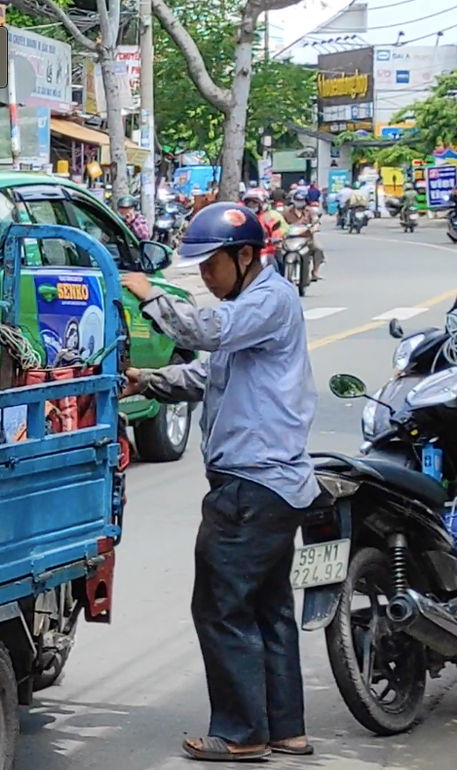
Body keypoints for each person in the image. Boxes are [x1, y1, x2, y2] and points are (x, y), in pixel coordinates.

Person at [119, 202, 317, 763]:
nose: (205, 276)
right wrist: (148, 380)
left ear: (246, 255)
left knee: (220, 607)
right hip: (273, 485)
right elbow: (209, 372)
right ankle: (285, 730)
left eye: (212, 265)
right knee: (267, 609)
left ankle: (239, 733)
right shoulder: (254, 310)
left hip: (252, 486)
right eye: (199, 267)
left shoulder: (266, 301)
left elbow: (205, 332)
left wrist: (150, 293)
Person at [281, 189, 324, 281]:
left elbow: (316, 221)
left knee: (318, 249)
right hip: (289, 238)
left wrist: (314, 228)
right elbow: (280, 222)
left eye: (301, 200)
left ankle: (315, 272)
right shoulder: (287, 211)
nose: (299, 202)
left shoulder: (310, 211)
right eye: (297, 200)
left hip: (306, 238)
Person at [242, 189, 286, 271]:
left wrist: (276, 237)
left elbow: (277, 229)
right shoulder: (241, 218)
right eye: (249, 203)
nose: (251, 206)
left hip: (265, 251)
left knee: (277, 263)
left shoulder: (268, 217)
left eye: (254, 203)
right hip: (245, 251)